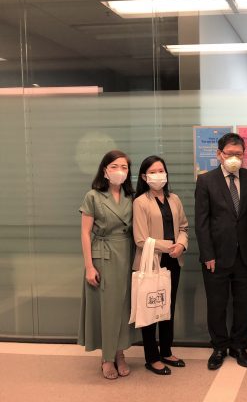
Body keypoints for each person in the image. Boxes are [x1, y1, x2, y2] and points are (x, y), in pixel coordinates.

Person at [195, 133, 247, 370]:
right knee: (217, 304)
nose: (234, 158)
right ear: (219, 154)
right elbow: (201, 222)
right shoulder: (206, 181)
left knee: (244, 304)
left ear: (244, 155)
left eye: (238, 154)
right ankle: (219, 347)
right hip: (216, 257)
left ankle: (239, 346)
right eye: (229, 154)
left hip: (246, 254)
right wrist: (207, 254)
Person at [78, 150, 135, 380]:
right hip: (103, 255)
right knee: (107, 308)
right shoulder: (93, 196)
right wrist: (89, 266)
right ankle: (107, 357)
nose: (120, 171)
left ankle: (121, 353)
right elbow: (84, 232)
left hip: (127, 254)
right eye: (115, 166)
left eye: (124, 167)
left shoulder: (131, 197)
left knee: (123, 307)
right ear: (105, 170)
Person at [133, 155, 188, 375]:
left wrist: (181, 246)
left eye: (161, 170)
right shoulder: (140, 202)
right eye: (153, 172)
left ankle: (166, 350)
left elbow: (184, 227)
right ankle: (151, 357)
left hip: (173, 261)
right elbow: (140, 239)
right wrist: (168, 246)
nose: (158, 175)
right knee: (151, 308)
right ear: (145, 177)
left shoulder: (174, 199)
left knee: (167, 308)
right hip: (150, 262)